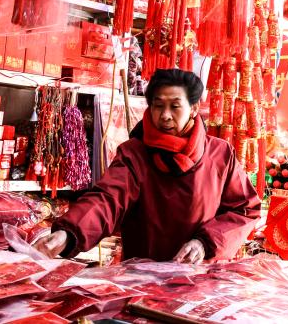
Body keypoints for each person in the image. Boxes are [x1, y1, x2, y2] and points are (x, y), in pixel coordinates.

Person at [33, 68, 261, 263]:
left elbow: (244, 209)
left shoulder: (220, 154)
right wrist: (69, 233)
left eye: (175, 106)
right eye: (158, 106)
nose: (165, 115)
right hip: (143, 277)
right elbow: (108, 199)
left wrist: (205, 243)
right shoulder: (134, 153)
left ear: (193, 108)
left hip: (200, 277)